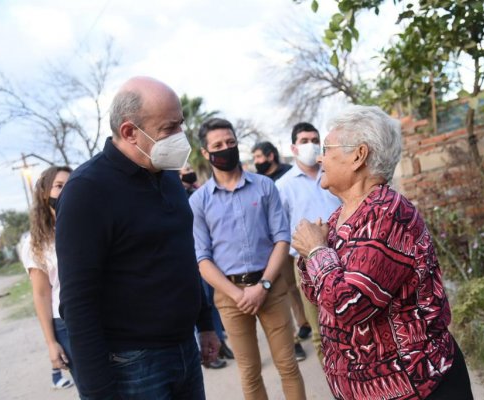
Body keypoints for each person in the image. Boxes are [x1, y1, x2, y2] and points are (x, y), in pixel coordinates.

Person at [291, 105, 474, 400]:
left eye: (327, 148)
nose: (320, 157)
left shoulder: (388, 213)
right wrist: (313, 255)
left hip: (417, 387)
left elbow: (350, 306)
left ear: (358, 156)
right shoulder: (339, 218)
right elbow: (320, 298)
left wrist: (315, 251)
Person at [56, 76, 220, 400]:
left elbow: (183, 258)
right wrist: (98, 391)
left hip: (185, 347)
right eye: (169, 129)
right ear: (130, 132)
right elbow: (77, 301)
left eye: (181, 124)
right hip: (133, 364)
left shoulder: (168, 177)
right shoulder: (87, 191)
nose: (180, 137)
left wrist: (205, 324)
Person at [189, 118, 306, 400]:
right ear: (206, 153)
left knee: (288, 365)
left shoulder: (265, 187)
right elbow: (202, 259)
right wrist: (238, 294)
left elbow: (282, 238)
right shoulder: (199, 201)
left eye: (230, 142)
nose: (226, 149)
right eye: (217, 145)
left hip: (271, 288)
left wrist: (262, 286)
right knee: (250, 372)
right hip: (230, 297)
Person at [276, 122, 341, 363]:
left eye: (315, 139)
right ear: (294, 148)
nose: (311, 145)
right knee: (321, 331)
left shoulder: (335, 173)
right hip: (307, 261)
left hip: (345, 252)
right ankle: (334, 378)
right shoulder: (283, 186)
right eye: (304, 141)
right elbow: (280, 229)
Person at [18, 166, 75, 390]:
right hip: (66, 324)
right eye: (59, 186)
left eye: (70, 186)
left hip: (104, 315)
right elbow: (41, 295)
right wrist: (51, 344)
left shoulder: (89, 227)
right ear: (44, 194)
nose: (66, 192)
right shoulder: (37, 243)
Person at [252, 140, 309, 362]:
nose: (256, 162)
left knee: (297, 288)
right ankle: (293, 339)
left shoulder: (288, 176)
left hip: (293, 242)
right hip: (274, 246)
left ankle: (304, 322)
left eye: (258, 157)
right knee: (282, 290)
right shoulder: (259, 182)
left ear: (270, 156)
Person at [178, 164, 235, 369]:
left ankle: (220, 344)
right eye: (185, 169)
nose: (189, 171)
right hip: (192, 258)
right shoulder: (178, 193)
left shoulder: (197, 189)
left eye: (190, 167)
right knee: (201, 303)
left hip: (208, 257)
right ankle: (208, 353)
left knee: (212, 304)